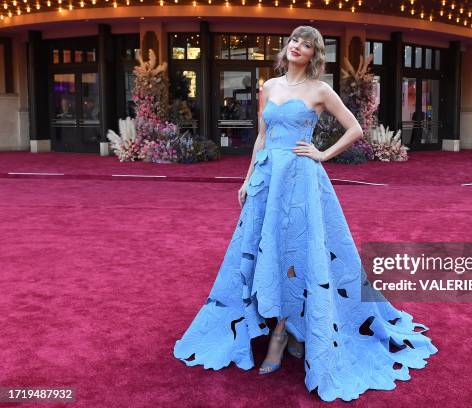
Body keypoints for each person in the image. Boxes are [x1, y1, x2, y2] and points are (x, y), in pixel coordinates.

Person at [172, 25, 437, 402]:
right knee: (268, 251)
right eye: (295, 40)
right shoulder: (269, 86)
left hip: (301, 181)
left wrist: (322, 154)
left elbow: (355, 129)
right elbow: (261, 138)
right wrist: (247, 179)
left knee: (298, 255)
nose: (298, 46)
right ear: (287, 47)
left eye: (307, 44)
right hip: (268, 179)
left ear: (314, 54)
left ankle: (284, 332)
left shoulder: (320, 90)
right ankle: (287, 325)